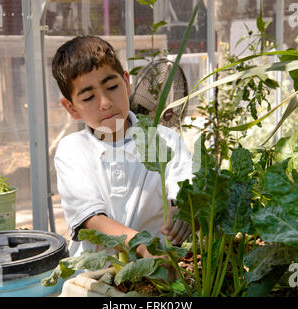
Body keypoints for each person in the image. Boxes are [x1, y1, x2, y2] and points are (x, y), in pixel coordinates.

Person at [52, 36, 194, 260]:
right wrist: (145, 247)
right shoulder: (72, 150)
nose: (105, 102)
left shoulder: (165, 140)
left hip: (161, 271)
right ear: (71, 108)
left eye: (111, 87)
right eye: (88, 97)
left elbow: (187, 189)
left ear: (127, 83)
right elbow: (93, 220)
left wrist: (185, 211)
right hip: (96, 275)